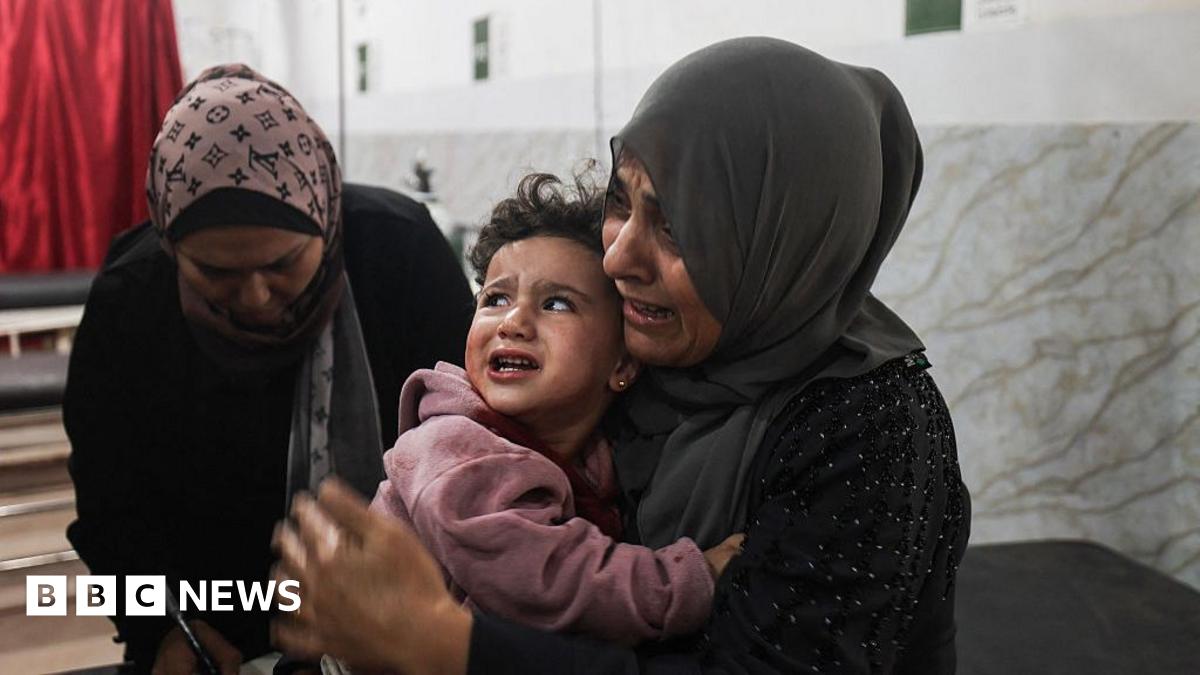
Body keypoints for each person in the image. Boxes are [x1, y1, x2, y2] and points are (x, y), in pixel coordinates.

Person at [272, 37, 970, 674]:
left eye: (676, 227)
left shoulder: (869, 425)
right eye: (620, 202)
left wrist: (451, 646)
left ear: (781, 239)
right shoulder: (647, 356)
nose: (617, 257)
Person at [63, 64, 473, 673]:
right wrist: (162, 631)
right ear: (172, 246)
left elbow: (469, 445)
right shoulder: (132, 299)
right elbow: (109, 507)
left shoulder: (398, 253)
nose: (256, 297)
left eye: (283, 264)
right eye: (216, 273)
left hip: (398, 619)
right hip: (210, 626)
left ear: (326, 219)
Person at [362, 172, 745, 645]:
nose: (514, 322)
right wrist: (689, 579)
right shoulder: (455, 448)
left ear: (623, 364)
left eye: (557, 304)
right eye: (495, 298)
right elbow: (544, 581)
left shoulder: (606, 458)